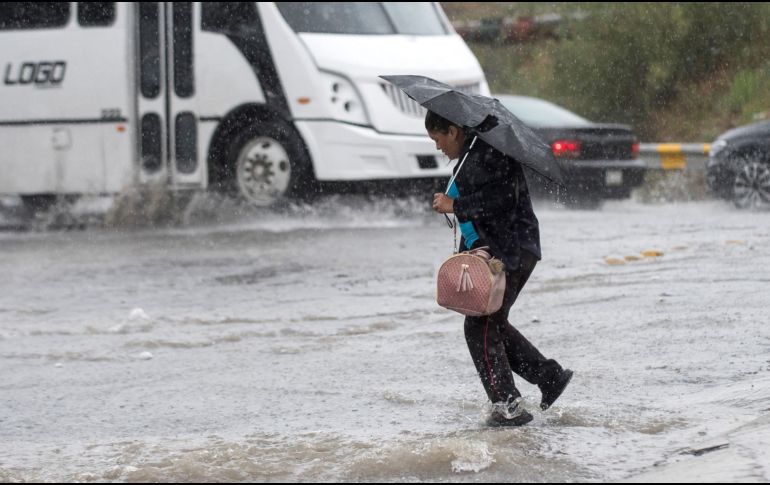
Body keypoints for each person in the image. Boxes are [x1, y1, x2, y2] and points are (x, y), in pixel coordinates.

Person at [426, 109, 573, 427]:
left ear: (452, 130)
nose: (438, 147)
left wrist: (457, 205)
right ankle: (548, 376)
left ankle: (508, 407)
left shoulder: (485, 152)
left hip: (511, 251)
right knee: (492, 325)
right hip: (508, 249)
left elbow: (502, 199)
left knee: (480, 327)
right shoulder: (473, 154)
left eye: (437, 139)